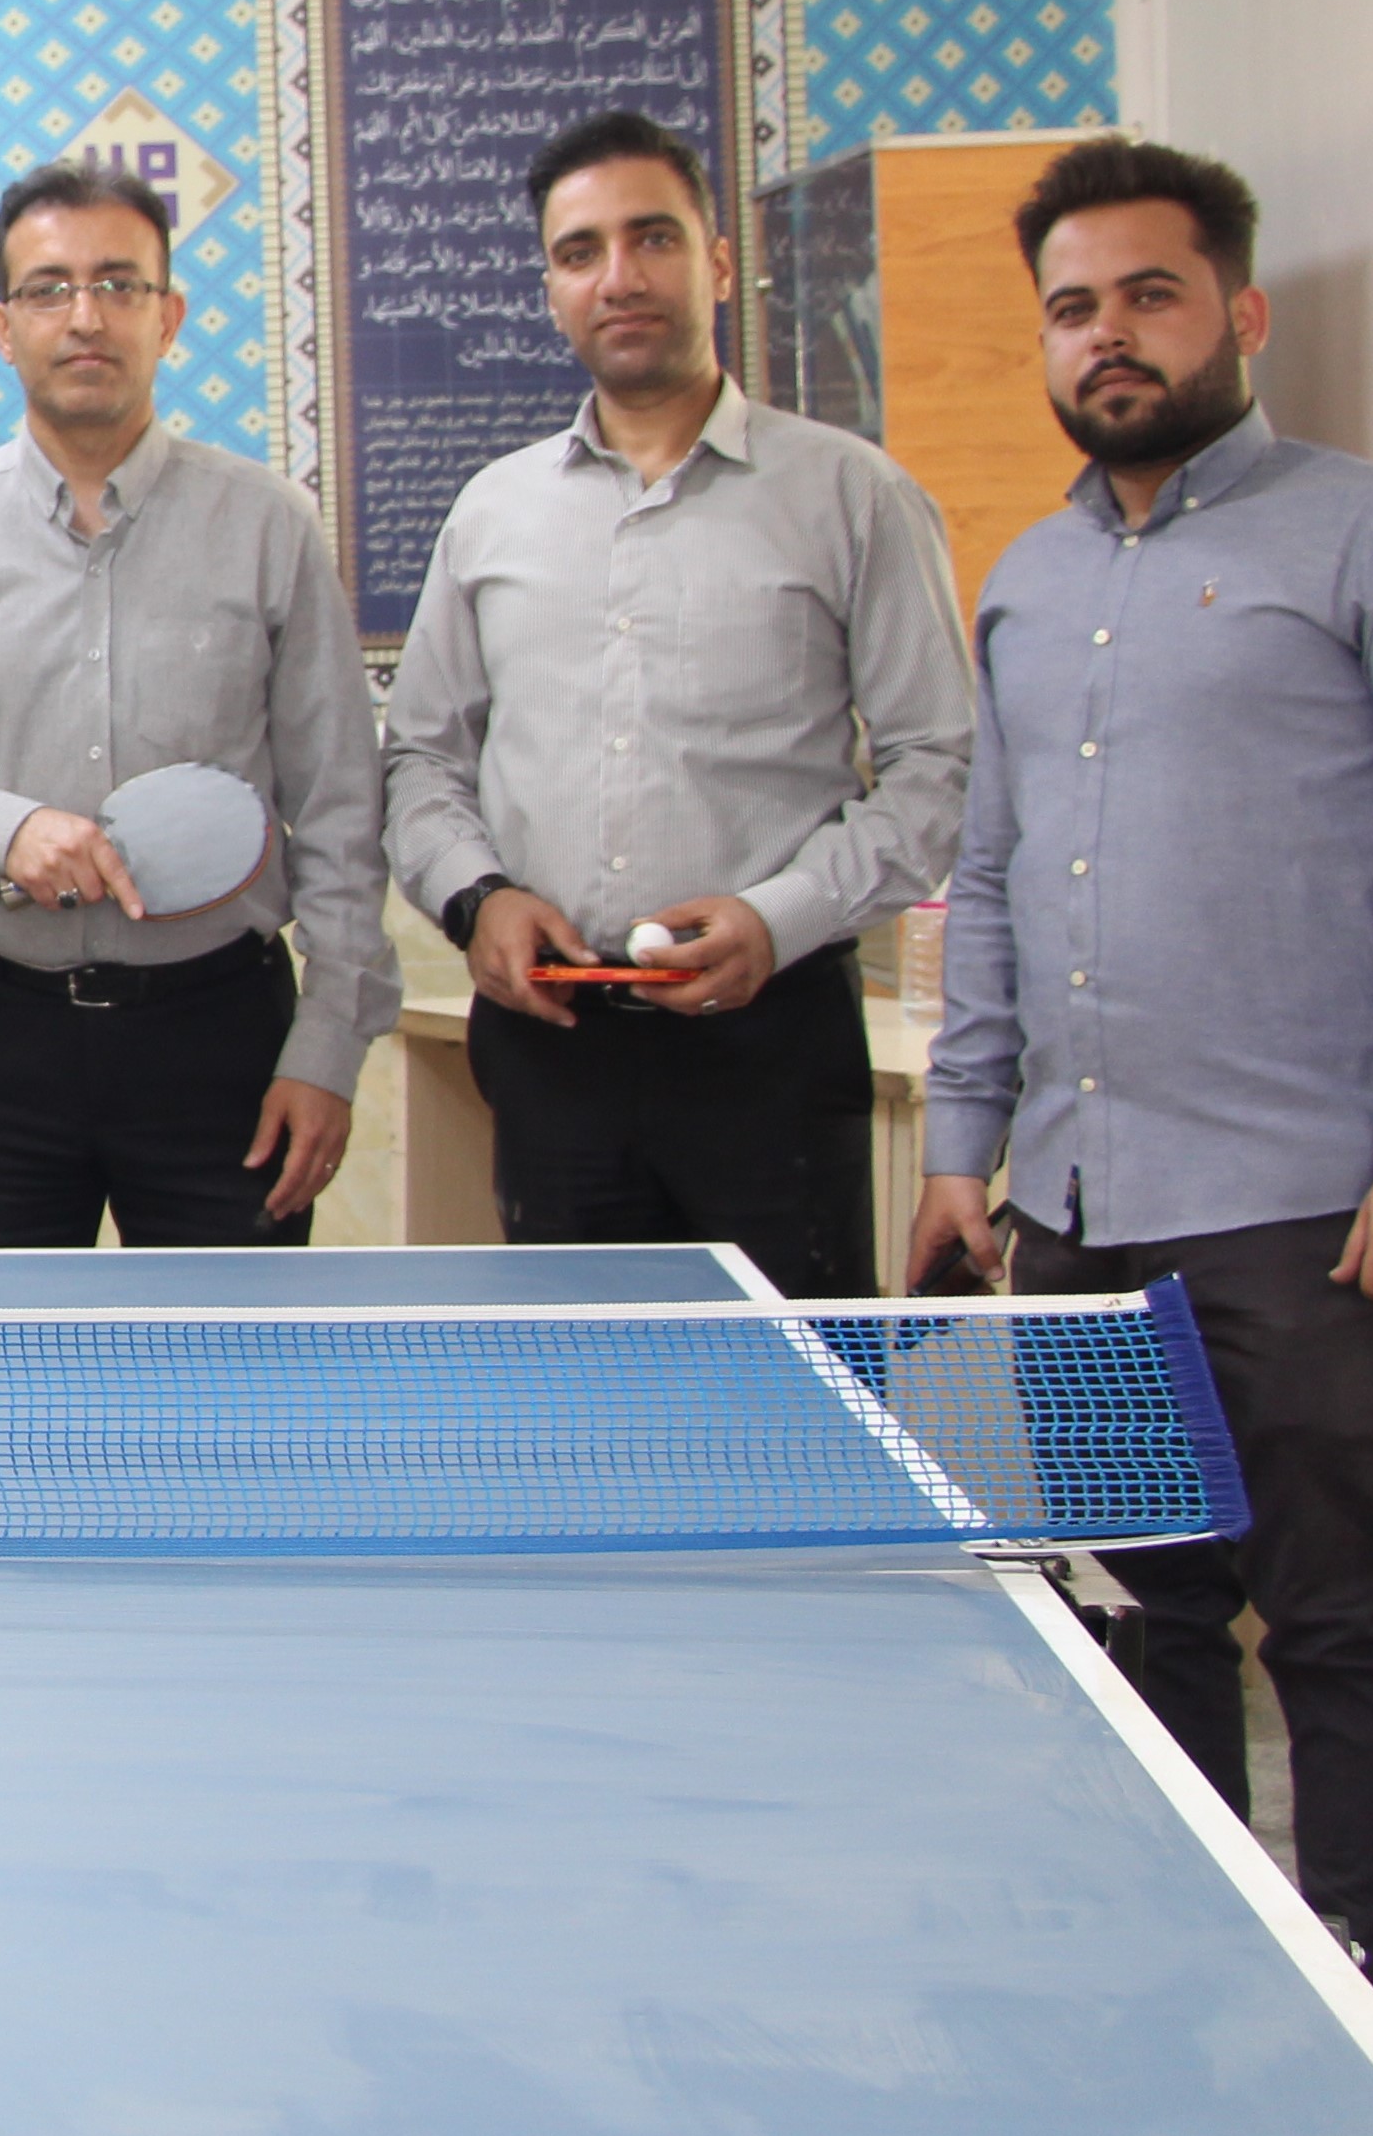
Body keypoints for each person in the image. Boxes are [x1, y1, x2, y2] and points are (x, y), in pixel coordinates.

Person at [908, 135, 1373, 2040]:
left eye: (1149, 295)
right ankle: (1184, 2001)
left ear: (1238, 312)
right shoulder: (1025, 580)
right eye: (1071, 308)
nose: (1107, 336)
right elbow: (993, 875)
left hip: (1309, 1210)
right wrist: (961, 1145)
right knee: (1143, 1614)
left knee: (1341, 1626)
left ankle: (1370, 2037)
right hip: (1076, 1207)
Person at [381, 108, 973, 1297]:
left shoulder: (853, 495)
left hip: (770, 1046)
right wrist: (476, 898)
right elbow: (419, 762)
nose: (618, 277)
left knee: (794, 1395)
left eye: (651, 237)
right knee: (578, 1395)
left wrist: (777, 916)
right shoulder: (492, 511)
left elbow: (937, 770)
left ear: (717, 262)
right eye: (579, 251)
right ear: (551, 290)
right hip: (550, 1047)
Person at [0, 160, 395, 1245]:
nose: (84, 317)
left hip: (222, 1040)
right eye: (48, 289)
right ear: (1, 326)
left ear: (168, 316)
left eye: (118, 284)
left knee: (230, 1355)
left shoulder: (268, 529)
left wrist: (327, 1048)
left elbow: (341, 812)